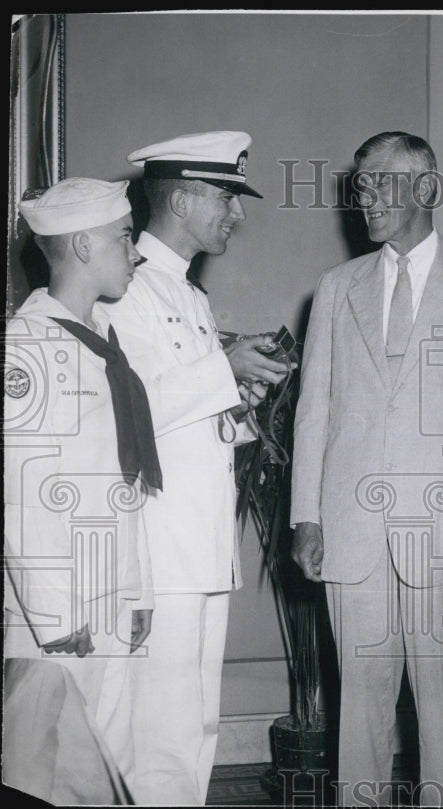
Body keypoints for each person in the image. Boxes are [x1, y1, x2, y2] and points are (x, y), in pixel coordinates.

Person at [291, 131, 443, 807]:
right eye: (359, 185)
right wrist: (307, 514)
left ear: (425, 188)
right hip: (351, 530)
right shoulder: (336, 288)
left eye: (381, 181)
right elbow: (314, 412)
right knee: (357, 712)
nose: (366, 198)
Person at [96, 131, 291, 805]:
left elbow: (189, 419)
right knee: (159, 730)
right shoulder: (126, 291)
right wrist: (222, 369)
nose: (236, 215)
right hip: (159, 547)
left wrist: (239, 397)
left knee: (196, 723)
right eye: (226, 197)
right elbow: (124, 412)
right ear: (181, 197)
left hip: (200, 545)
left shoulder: (191, 296)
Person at [4, 178, 159, 801]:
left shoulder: (99, 341)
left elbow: (128, 480)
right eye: (125, 237)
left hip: (112, 593)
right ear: (85, 246)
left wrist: (138, 586)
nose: (136, 251)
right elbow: (21, 489)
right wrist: (54, 615)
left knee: (106, 766)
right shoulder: (28, 347)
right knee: (45, 774)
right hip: (62, 606)